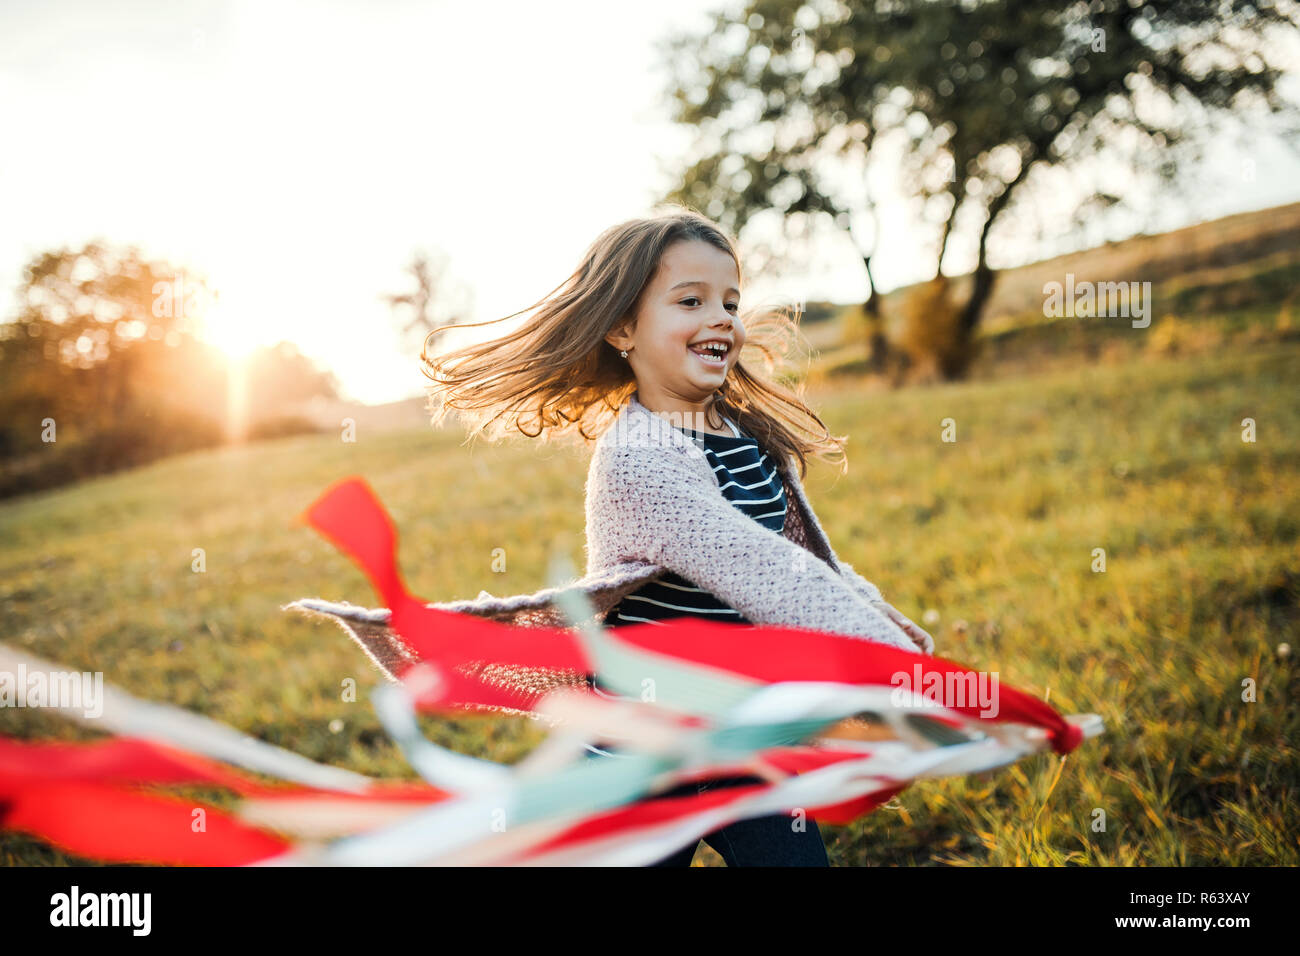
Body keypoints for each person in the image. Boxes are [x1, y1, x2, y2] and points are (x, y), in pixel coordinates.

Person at [416, 207, 935, 866]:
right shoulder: (638, 457)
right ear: (623, 328)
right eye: (691, 300)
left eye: (730, 301)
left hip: (742, 741)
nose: (721, 318)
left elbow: (808, 562)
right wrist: (903, 676)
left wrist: (899, 645)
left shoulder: (748, 439)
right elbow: (765, 574)